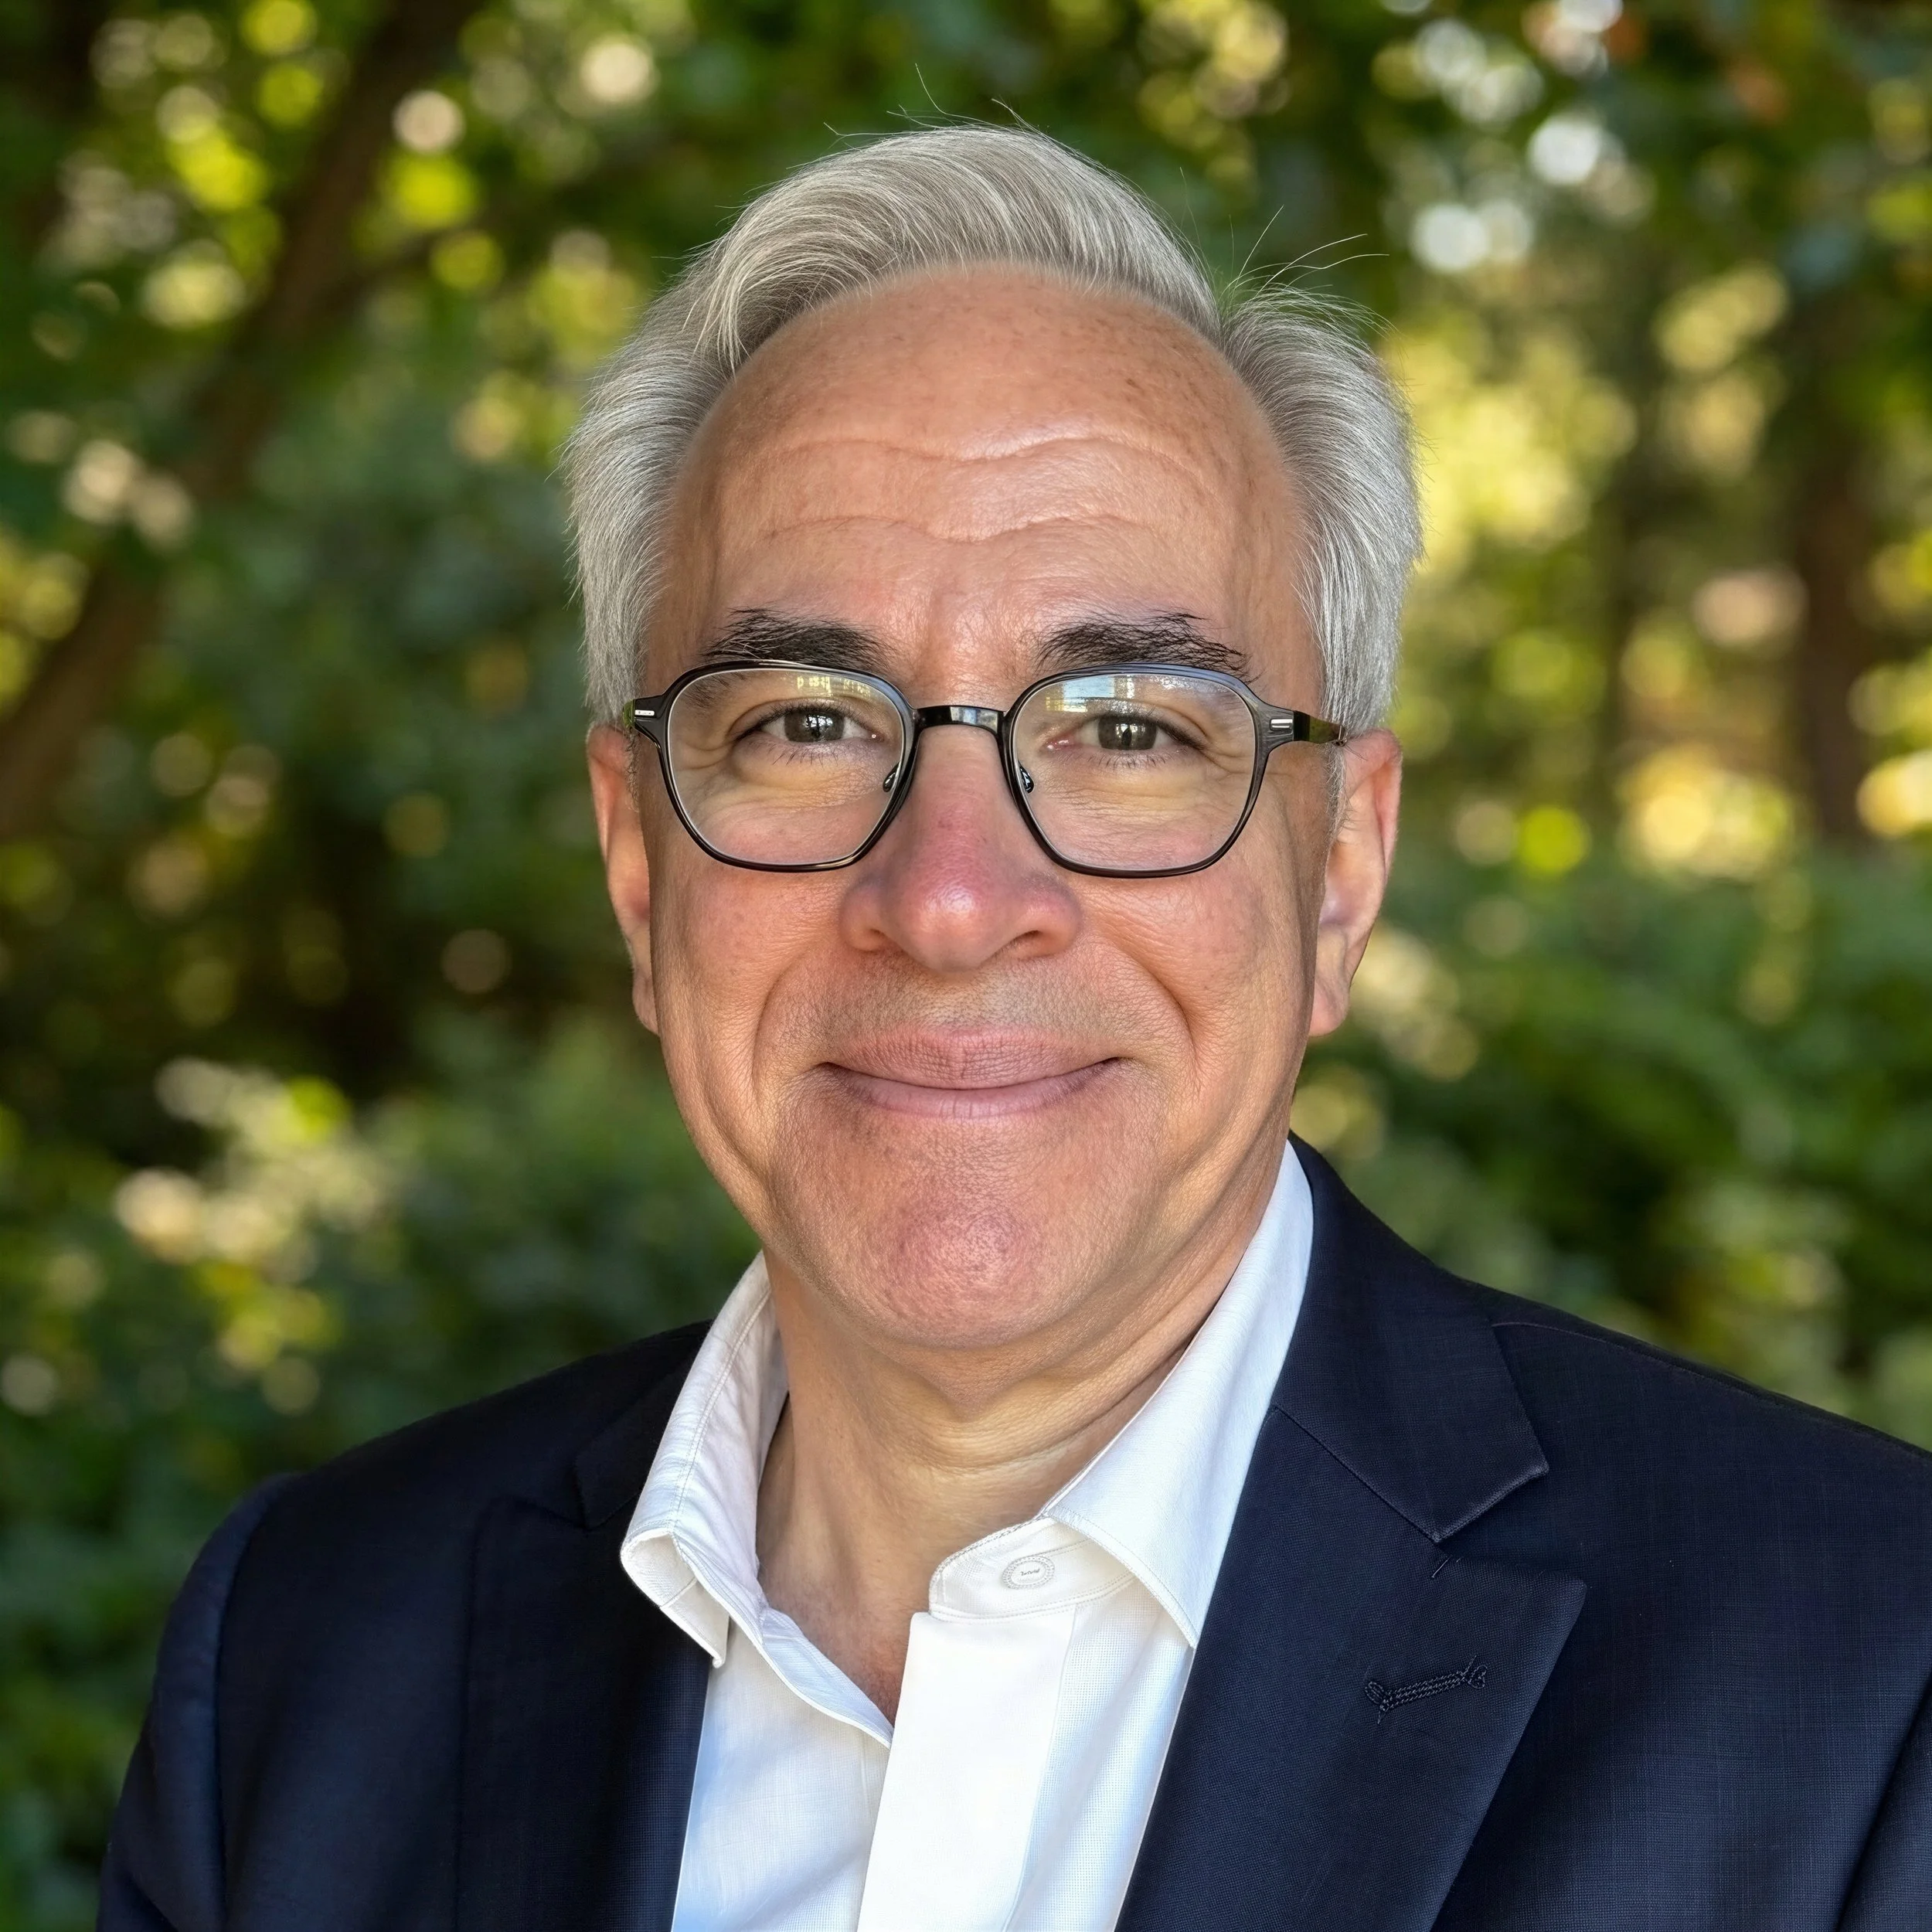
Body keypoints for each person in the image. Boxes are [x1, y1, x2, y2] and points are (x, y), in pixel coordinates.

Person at [101, 126, 1932, 1932]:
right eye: (805, 721)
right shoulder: (301, 1662)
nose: (953, 899)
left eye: (1129, 726)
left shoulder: (1864, 1679)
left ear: (1340, 873)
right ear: (638, 865)